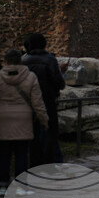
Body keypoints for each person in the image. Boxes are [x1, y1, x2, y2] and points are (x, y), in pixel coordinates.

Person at [0, 49, 48, 197]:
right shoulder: (31, 77)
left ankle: (2, 185)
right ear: (20, 61)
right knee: (21, 154)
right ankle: (20, 186)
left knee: (3, 154)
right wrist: (44, 119)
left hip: (2, 119)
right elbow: (37, 102)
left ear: (5, 62)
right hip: (23, 119)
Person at [22, 32, 66, 165]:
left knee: (33, 136)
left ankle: (35, 163)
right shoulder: (50, 60)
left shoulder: (24, 60)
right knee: (50, 134)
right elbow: (59, 83)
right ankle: (50, 162)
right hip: (47, 100)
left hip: (28, 102)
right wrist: (61, 74)